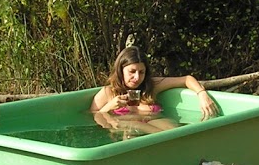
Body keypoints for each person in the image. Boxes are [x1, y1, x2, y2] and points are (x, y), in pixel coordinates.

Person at [89, 45, 219, 136]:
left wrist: (202, 94)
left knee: (174, 133)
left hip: (154, 124)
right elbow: (91, 119)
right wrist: (110, 106)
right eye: (132, 72)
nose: (137, 77)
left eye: (142, 72)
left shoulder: (151, 86)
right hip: (127, 132)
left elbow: (186, 79)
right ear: (120, 70)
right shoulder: (108, 92)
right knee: (130, 127)